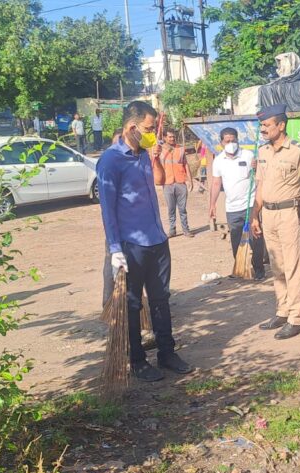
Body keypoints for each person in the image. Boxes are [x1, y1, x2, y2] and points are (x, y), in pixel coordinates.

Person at [96, 100, 194, 382]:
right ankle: (137, 360)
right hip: (132, 245)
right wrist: (115, 249)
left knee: (161, 299)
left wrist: (156, 157)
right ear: (132, 127)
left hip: (157, 240)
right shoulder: (110, 161)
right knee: (132, 305)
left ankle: (167, 353)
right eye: (149, 129)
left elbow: (159, 183)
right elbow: (107, 209)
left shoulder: (143, 155)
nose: (153, 134)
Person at [250, 104, 300, 340]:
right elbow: (260, 186)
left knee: (293, 266)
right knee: (277, 265)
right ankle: (282, 310)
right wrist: (254, 215)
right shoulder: (263, 151)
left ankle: (295, 317)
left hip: (288, 214)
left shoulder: (298, 151)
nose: (263, 129)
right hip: (267, 215)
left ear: (281, 125)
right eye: (261, 125)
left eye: (267, 125)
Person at [208, 127, 265, 280]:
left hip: (250, 204)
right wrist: (212, 205)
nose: (231, 144)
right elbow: (216, 183)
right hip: (232, 208)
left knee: (255, 238)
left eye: (233, 141)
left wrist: (256, 168)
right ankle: (241, 268)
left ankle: (259, 269)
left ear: (238, 140)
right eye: (227, 141)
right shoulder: (218, 161)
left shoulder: (248, 155)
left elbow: (259, 176)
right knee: (236, 240)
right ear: (221, 143)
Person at [160, 131, 193, 238]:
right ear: (165, 138)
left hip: (180, 182)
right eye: (170, 137)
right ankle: (172, 230)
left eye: (173, 137)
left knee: (182, 209)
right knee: (171, 209)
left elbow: (186, 165)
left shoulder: (180, 149)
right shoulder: (160, 150)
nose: (172, 139)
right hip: (167, 183)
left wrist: (190, 180)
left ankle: (186, 230)